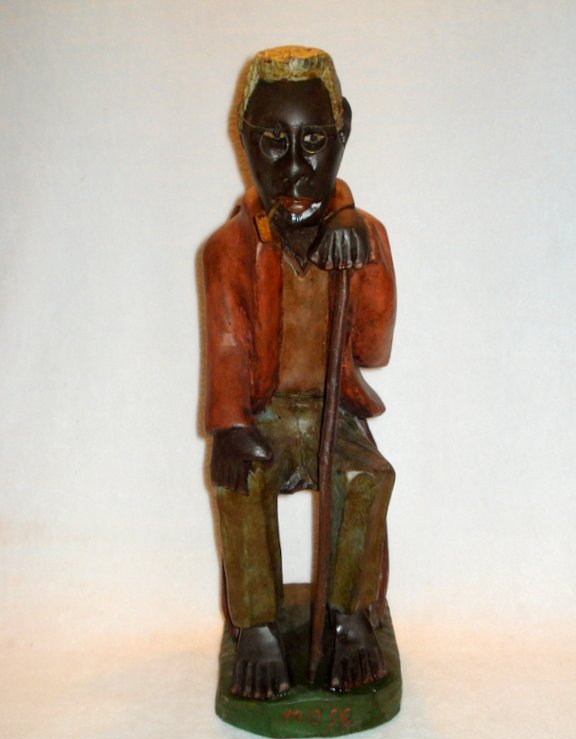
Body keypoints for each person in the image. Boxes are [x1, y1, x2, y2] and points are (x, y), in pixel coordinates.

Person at [203, 46, 396, 700]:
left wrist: (362, 255)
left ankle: (350, 619)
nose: (293, 166)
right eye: (272, 142)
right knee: (241, 480)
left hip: (332, 410)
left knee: (364, 478)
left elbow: (374, 349)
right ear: (244, 141)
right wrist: (230, 426)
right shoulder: (228, 250)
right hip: (262, 412)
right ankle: (255, 628)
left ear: (343, 132)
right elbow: (226, 347)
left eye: (312, 141)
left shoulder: (366, 235)